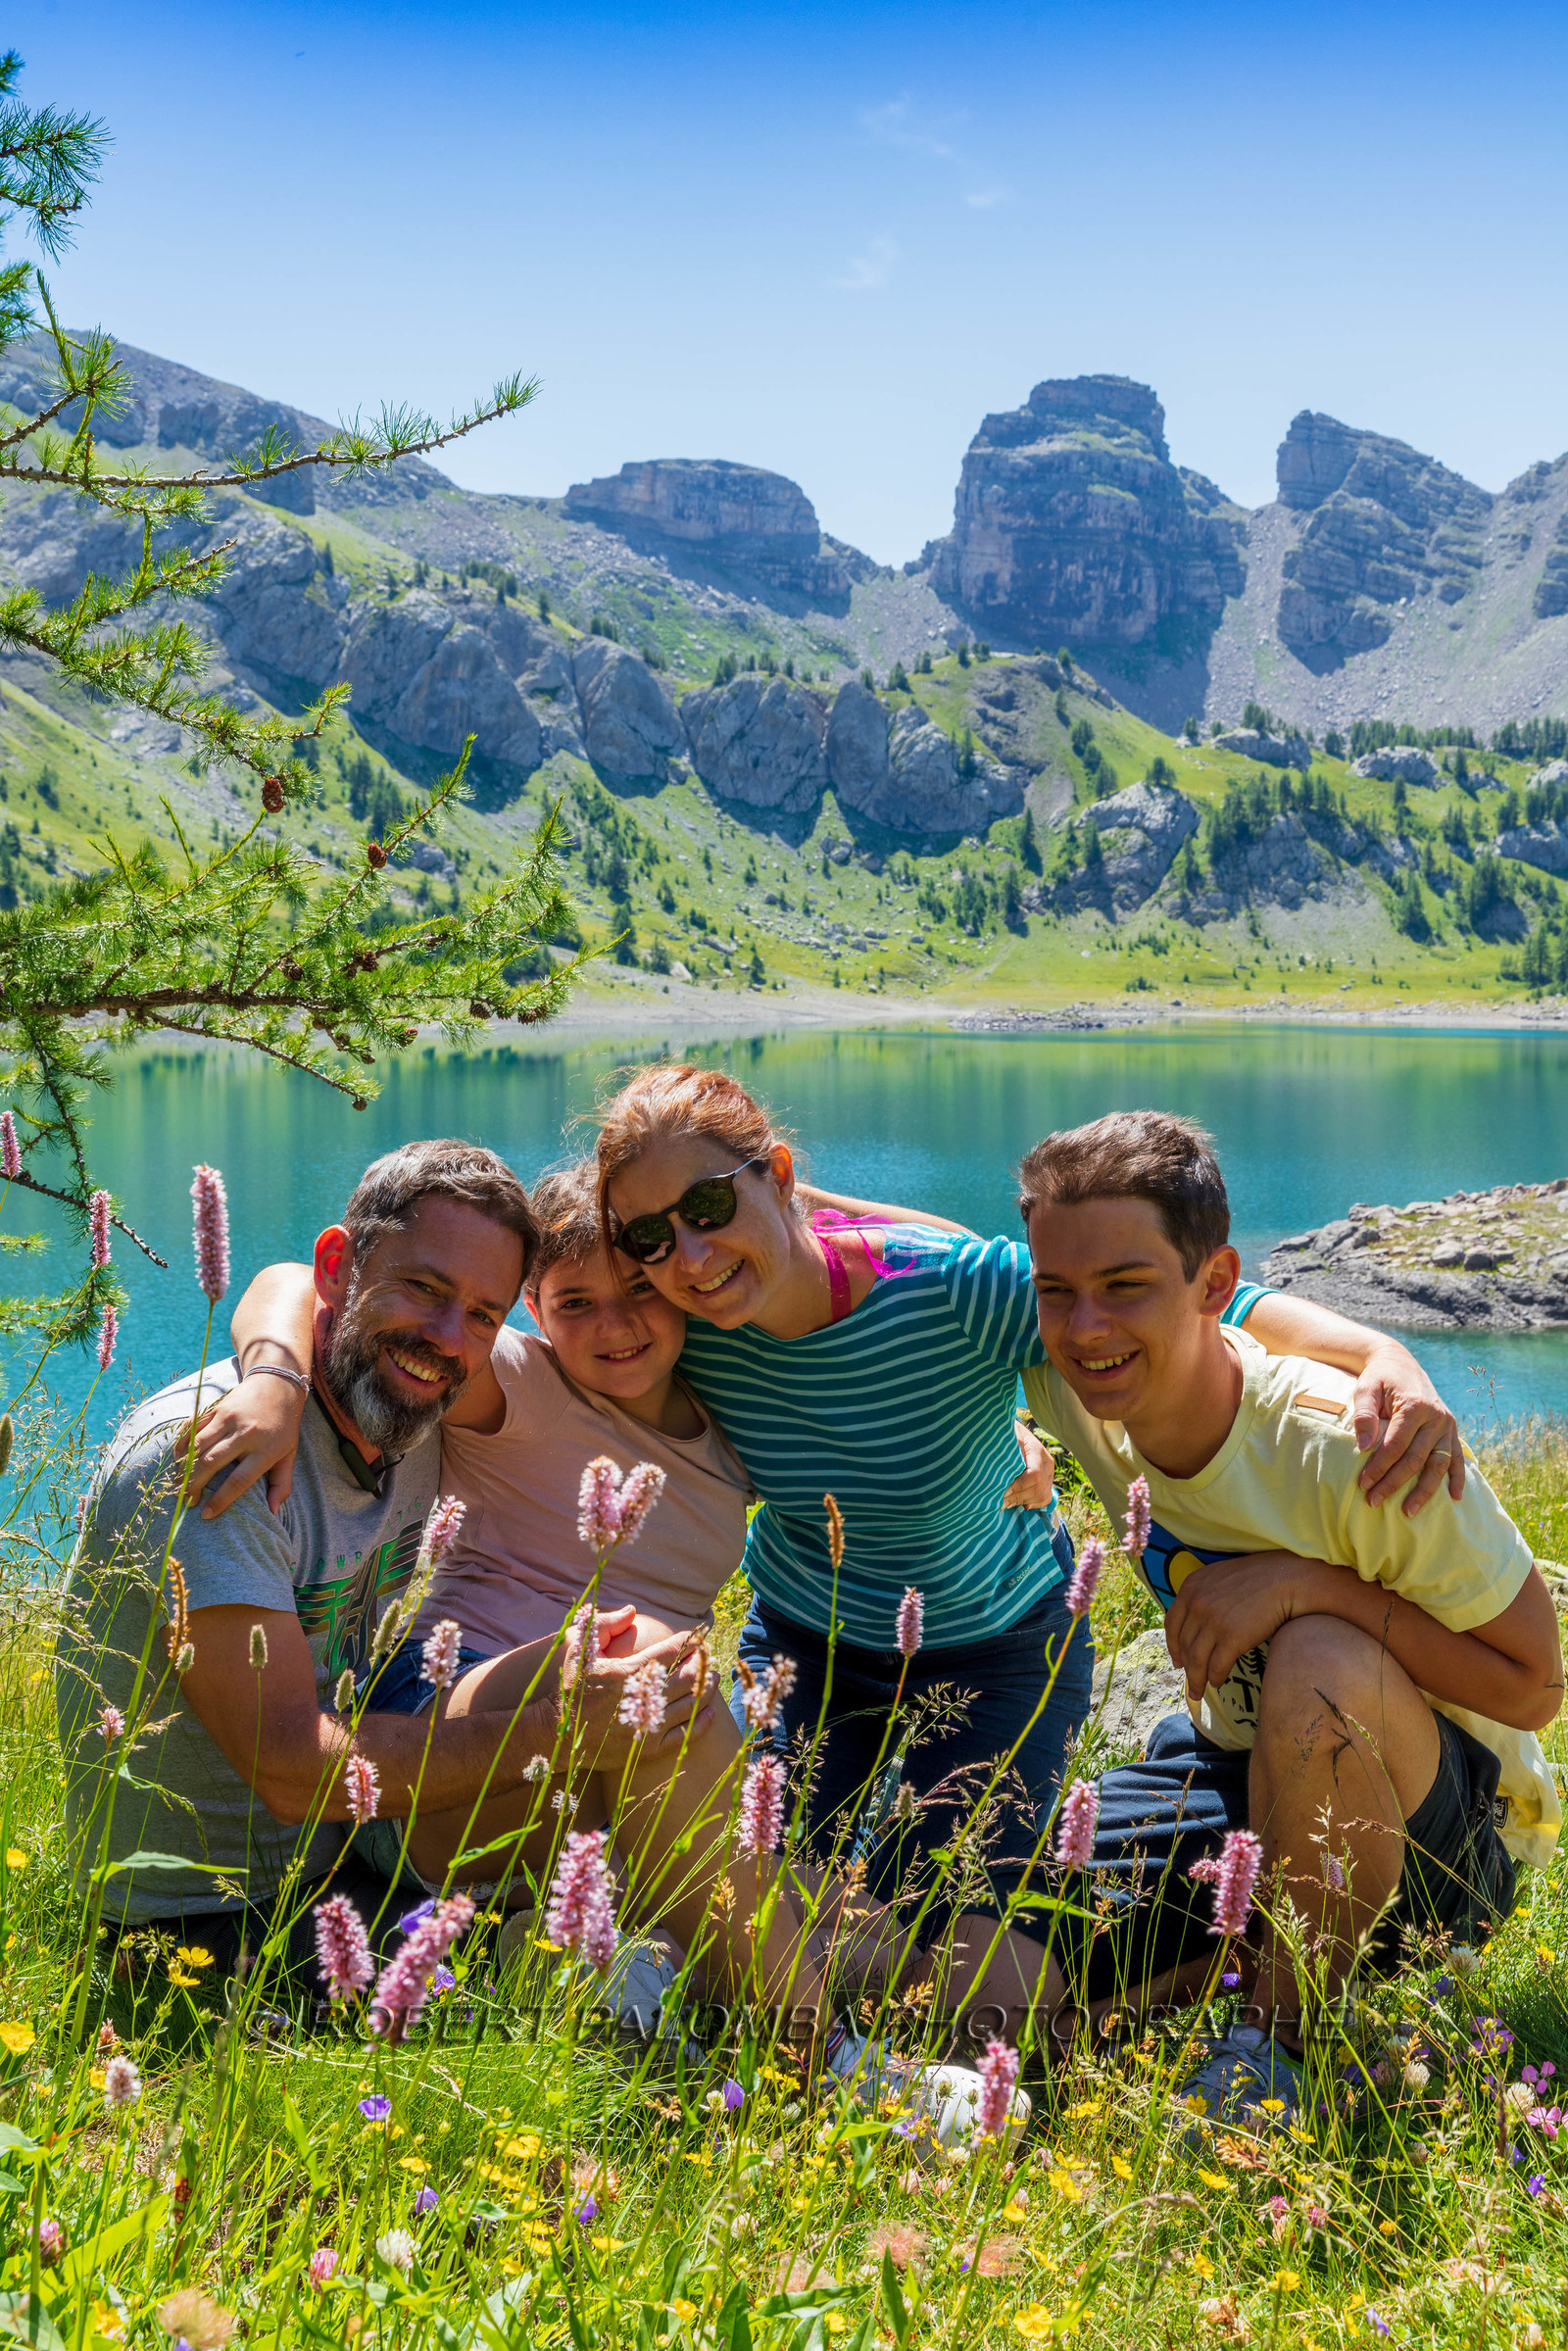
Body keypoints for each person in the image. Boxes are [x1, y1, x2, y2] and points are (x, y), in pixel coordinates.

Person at [591, 1062, 1474, 2033]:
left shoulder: (955, 1293)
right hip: (809, 1645)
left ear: (778, 1172)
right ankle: (714, 1998)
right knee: (740, 1881)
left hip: (995, 1647)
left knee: (945, 1934)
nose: (688, 1251)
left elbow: (1201, 1299)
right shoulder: (679, 1328)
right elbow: (550, 1321)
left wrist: (1385, 1354)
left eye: (710, 1203)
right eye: (648, 1234)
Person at [192, 1158, 1028, 2137]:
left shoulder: (728, 1434)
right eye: (574, 1301)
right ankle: (822, 2062)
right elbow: (299, 1280)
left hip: (613, 1771)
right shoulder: (515, 1383)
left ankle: (595, 1965)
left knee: (840, 1922)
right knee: (644, 1660)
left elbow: (858, 1358)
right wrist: (275, 1377)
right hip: (447, 1747)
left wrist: (1004, 1431)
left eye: (639, 1291)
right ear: (535, 1313)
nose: (614, 1323)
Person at [1012, 1110, 1562, 2127]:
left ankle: (1273, 2042)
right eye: (1057, 1291)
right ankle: (1212, 1961)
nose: (1085, 1325)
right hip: (1227, 1764)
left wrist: (1310, 1585)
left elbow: (1535, 1682)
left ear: (1215, 1284)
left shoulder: (1358, 1445)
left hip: (1441, 1825)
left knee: (1317, 1654)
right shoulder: (1067, 1373)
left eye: (1126, 1287)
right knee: (991, 1925)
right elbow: (888, 1251)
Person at [57, 1141, 709, 1972]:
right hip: (200, 1919)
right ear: (342, 1266)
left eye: (482, 1314)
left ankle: (853, 1995)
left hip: (345, 1858)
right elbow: (291, 1770)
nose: (447, 1337)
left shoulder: (409, 1418)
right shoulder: (213, 1456)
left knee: (666, 1849)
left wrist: (278, 1370)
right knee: (577, 1972)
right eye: (424, 1288)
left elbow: (283, 1286)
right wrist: (563, 1731)